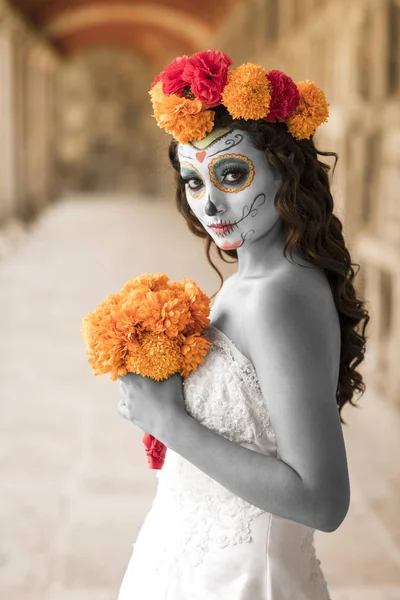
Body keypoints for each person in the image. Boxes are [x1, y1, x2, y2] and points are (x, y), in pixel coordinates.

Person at [117, 50, 370, 599]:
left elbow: (323, 501)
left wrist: (169, 422)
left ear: (285, 168)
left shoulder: (276, 298)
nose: (210, 204)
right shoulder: (258, 281)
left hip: (241, 580)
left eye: (231, 175)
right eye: (192, 181)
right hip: (190, 556)